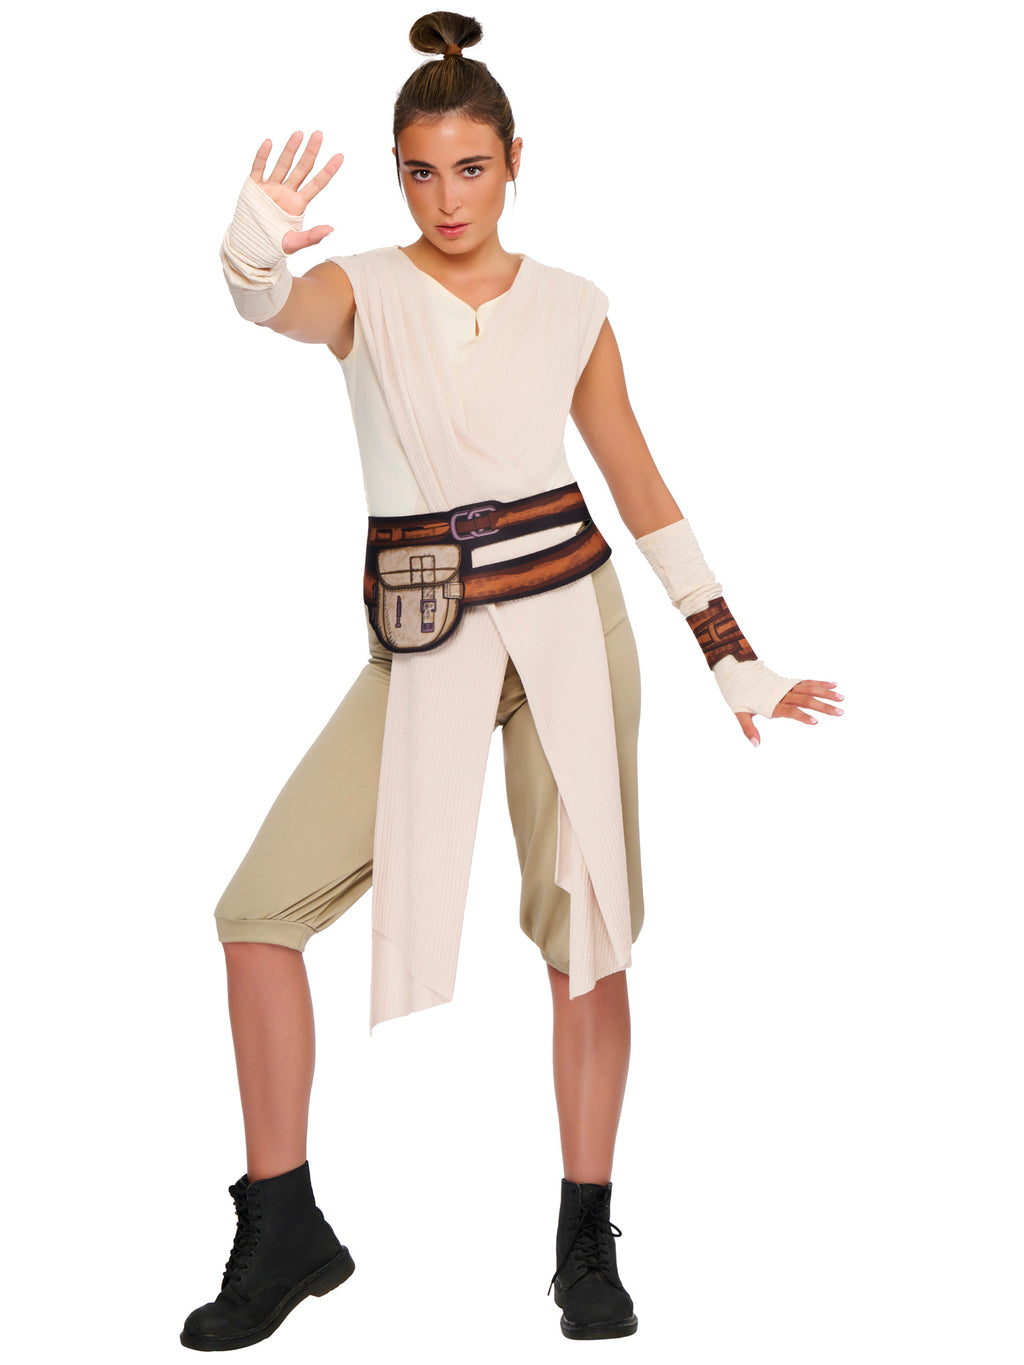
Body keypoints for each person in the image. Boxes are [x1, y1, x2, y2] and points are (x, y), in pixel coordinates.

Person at [181, 10, 842, 1352]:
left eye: (470, 168)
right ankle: (283, 1225)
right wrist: (252, 245)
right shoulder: (361, 288)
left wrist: (730, 654)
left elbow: (636, 479)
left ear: (514, 160)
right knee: (257, 912)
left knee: (587, 934)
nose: (446, 198)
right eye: (420, 171)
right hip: (426, 638)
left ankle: (585, 1236)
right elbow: (268, 305)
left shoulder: (574, 303)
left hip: (569, 627)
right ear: (395, 171)